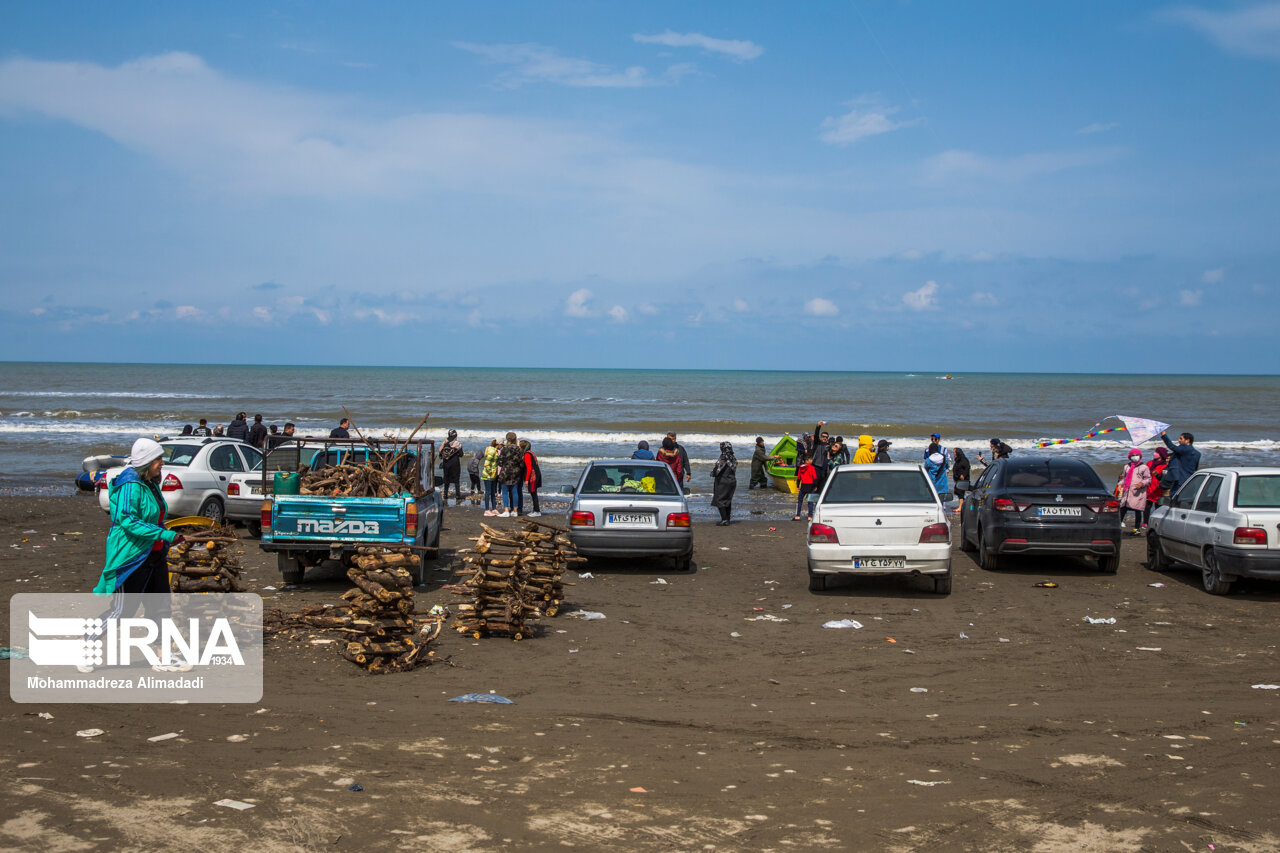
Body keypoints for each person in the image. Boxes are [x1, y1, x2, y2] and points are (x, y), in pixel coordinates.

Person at [87, 438, 186, 671]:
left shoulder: (150, 482)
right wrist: (165, 535)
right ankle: (86, 643)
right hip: (131, 557)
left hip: (155, 555)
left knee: (161, 608)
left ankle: (162, 657)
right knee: (123, 611)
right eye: (158, 459)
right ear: (147, 462)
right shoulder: (129, 484)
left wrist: (164, 537)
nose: (162, 463)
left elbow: (155, 516)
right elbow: (127, 520)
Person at [1116, 448, 1152, 534]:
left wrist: (1142, 484)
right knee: (1122, 508)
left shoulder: (1144, 467)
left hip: (1137, 492)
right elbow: (1125, 478)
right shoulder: (1127, 466)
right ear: (1130, 456)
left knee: (1137, 509)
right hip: (1127, 491)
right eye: (1133, 455)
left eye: (1136, 455)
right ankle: (1117, 526)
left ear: (1140, 456)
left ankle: (1137, 529)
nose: (1135, 457)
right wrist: (1120, 485)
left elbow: (1148, 479)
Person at [1159, 431, 1201, 495]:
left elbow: (1172, 447)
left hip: (1180, 480)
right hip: (1190, 479)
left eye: (1181, 438)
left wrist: (1164, 435)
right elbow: (1195, 467)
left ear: (1187, 441)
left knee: (1175, 499)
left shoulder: (1185, 448)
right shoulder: (1197, 454)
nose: (1179, 440)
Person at [496, 432, 524, 518]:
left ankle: (506, 510)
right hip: (516, 472)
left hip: (505, 472)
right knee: (515, 491)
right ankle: (515, 511)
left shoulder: (505, 449)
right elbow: (521, 463)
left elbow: (500, 462)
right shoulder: (519, 449)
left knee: (504, 492)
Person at [710, 441, 738, 525]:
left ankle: (724, 520)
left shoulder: (723, 458)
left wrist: (712, 472)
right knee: (727, 500)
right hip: (732, 481)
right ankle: (727, 519)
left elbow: (717, 471)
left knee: (720, 500)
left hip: (723, 482)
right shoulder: (733, 458)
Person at [1145, 446, 1170, 526]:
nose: (1155, 454)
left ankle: (1157, 523)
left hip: (1158, 490)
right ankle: (1145, 523)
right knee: (1146, 507)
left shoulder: (1164, 466)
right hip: (1149, 489)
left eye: (1157, 453)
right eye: (1155, 452)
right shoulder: (1150, 463)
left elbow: (1163, 478)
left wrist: (1156, 474)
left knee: (1158, 508)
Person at [439, 429, 464, 505]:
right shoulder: (457, 444)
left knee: (446, 480)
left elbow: (440, 455)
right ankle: (457, 495)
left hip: (446, 464)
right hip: (455, 464)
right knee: (456, 480)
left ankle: (445, 495)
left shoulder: (445, 444)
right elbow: (461, 454)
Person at [521, 439, 543, 517]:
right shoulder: (531, 453)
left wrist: (526, 480)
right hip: (536, 474)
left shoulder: (527, 454)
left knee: (533, 493)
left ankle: (537, 511)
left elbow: (529, 467)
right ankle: (535, 510)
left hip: (532, 476)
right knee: (534, 493)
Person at [793, 454, 818, 521]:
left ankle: (797, 515)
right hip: (810, 486)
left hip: (803, 486)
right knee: (810, 502)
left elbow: (799, 478)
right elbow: (815, 477)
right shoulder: (812, 467)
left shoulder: (801, 467)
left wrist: (798, 486)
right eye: (810, 459)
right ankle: (810, 516)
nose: (812, 460)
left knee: (799, 501)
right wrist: (815, 486)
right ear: (807, 461)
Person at [481, 440, 500, 516]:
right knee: (488, 492)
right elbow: (487, 464)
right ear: (498, 444)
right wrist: (491, 472)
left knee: (493, 492)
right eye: (501, 444)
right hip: (488, 475)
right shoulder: (492, 450)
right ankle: (486, 510)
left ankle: (494, 508)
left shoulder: (495, 450)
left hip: (493, 475)